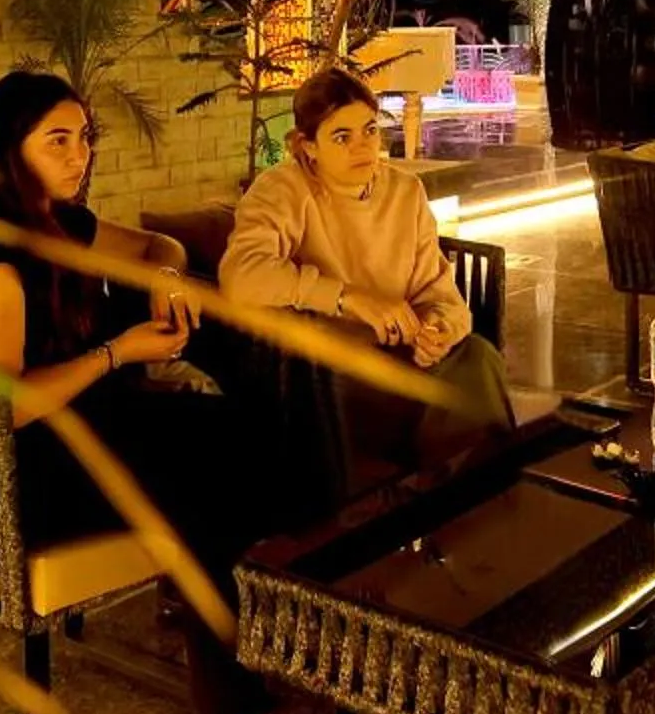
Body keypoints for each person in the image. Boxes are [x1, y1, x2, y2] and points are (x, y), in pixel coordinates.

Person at [0, 70, 324, 714]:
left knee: (249, 434)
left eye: (84, 137)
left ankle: (217, 614)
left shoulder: (55, 221)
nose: (79, 155)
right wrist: (115, 352)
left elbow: (157, 244)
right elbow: (3, 408)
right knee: (209, 479)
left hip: (77, 432)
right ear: (8, 150)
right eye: (56, 140)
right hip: (3, 471)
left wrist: (163, 276)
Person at [219, 68, 515, 489]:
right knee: (447, 402)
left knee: (478, 357)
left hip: (404, 354)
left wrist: (438, 328)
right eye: (342, 137)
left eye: (370, 130)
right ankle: (461, 499)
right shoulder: (282, 190)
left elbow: (439, 290)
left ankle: (485, 498)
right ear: (309, 146)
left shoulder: (404, 192)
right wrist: (346, 298)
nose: (362, 148)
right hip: (331, 375)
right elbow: (241, 276)